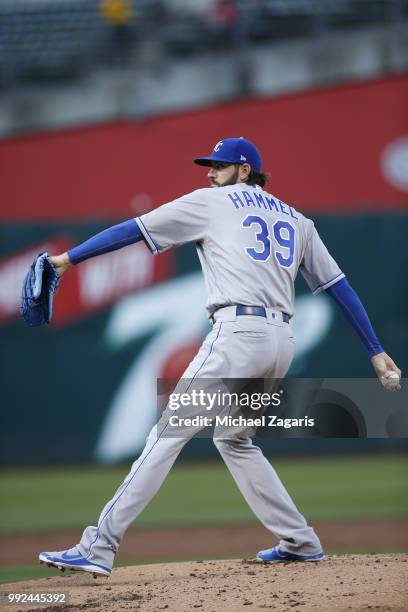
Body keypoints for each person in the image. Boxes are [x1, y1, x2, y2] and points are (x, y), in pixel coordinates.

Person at [39, 137, 401, 576]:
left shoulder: (215, 202)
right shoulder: (297, 220)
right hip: (280, 343)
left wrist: (67, 259)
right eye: (209, 165)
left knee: (165, 436)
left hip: (237, 336)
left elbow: (136, 228)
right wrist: (375, 350)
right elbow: (336, 287)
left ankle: (99, 545)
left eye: (221, 165)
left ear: (245, 170)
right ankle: (300, 540)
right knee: (233, 438)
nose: (210, 172)